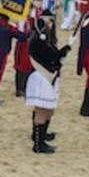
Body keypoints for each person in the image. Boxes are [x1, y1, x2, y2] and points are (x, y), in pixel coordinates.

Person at [27, 10, 72, 154]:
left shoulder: (45, 40)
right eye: (47, 22)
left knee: (49, 109)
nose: (49, 25)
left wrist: (60, 60)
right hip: (41, 77)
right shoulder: (37, 41)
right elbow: (52, 56)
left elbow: (54, 58)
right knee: (42, 109)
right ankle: (38, 144)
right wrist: (66, 49)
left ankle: (41, 135)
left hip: (47, 77)